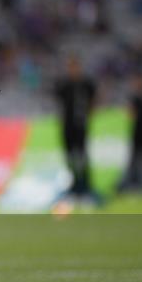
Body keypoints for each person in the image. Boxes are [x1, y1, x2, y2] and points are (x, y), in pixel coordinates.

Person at [54, 56, 98, 203]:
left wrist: (89, 114)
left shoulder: (86, 84)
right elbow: (58, 101)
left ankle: (85, 185)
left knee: (82, 156)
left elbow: (94, 99)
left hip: (81, 125)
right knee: (70, 156)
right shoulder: (64, 84)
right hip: (67, 126)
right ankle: (74, 185)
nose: (73, 70)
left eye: (75, 67)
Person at [117, 73, 142, 192]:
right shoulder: (134, 99)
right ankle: (137, 183)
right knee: (136, 160)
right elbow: (130, 115)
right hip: (137, 134)